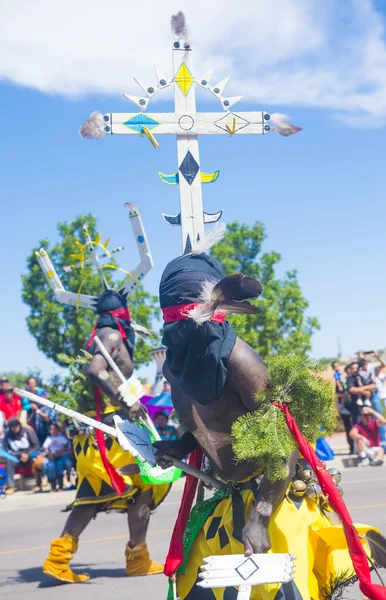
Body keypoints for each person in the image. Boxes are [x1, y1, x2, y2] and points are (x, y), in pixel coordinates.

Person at [154, 251, 381, 600]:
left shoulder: (242, 363)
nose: (179, 333)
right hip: (228, 504)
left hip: (273, 500)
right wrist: (178, 447)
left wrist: (261, 515)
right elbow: (208, 424)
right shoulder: (173, 367)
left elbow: (284, 445)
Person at [42, 289, 171, 583]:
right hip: (111, 430)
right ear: (120, 312)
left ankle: (138, 558)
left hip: (116, 426)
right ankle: (58, 559)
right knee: (96, 493)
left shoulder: (102, 334)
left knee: (141, 489)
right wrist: (127, 402)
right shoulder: (111, 334)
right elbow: (96, 371)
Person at [2, 418, 40, 495]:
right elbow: (6, 450)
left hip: (29, 454)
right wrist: (19, 455)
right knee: (9, 461)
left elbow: (36, 445)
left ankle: (38, 483)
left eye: (16, 425)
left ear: (19, 425)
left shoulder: (28, 431)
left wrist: (28, 454)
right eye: (12, 426)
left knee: (35, 460)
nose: (15, 427)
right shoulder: (7, 436)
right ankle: (11, 486)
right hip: (16, 457)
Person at [358, 354, 386, 443]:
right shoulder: (360, 372)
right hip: (364, 395)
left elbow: (383, 365)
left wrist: (377, 356)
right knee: (366, 419)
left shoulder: (372, 370)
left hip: (374, 394)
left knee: (378, 417)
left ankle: (383, 440)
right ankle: (374, 440)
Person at [42, 423, 73, 491]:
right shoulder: (49, 438)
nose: (53, 431)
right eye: (51, 430)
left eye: (54, 429)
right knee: (50, 466)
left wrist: (61, 451)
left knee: (60, 465)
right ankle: (53, 486)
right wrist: (49, 454)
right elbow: (45, 447)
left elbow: (66, 445)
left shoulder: (61, 437)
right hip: (52, 457)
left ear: (58, 430)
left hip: (61, 456)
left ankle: (61, 486)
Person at [332, 361, 354, 454]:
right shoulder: (337, 376)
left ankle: (355, 446)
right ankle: (351, 447)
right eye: (335, 366)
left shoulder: (344, 376)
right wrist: (342, 392)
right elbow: (339, 388)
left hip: (350, 404)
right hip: (344, 404)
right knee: (348, 426)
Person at [27, 381, 57, 446]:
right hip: (38, 435)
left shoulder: (50, 407)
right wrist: (33, 411)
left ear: (46, 397)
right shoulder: (36, 407)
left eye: (42, 397)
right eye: (39, 397)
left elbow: (48, 419)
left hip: (50, 436)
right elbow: (29, 421)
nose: (41, 399)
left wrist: (37, 411)